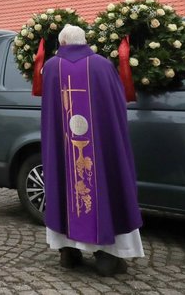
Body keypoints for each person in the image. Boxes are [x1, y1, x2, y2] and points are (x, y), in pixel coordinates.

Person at [40, 24, 144, 277]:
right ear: (84, 41)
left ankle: (68, 251)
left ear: (62, 42)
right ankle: (107, 255)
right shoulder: (102, 65)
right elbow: (117, 107)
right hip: (98, 147)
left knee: (66, 183)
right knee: (102, 185)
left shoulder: (52, 67)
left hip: (65, 146)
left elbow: (49, 114)